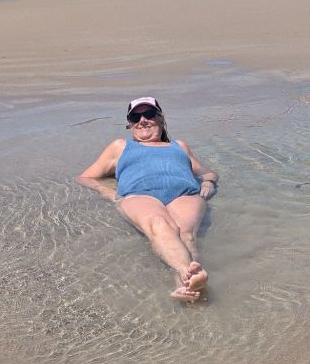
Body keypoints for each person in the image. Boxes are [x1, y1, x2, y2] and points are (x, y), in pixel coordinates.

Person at [76, 97, 218, 301]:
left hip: (184, 193)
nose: (142, 120)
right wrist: (109, 193)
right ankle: (188, 273)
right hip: (140, 194)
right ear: (130, 124)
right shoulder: (120, 146)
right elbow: (85, 178)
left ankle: (186, 289)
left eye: (149, 114)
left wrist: (208, 183)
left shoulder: (179, 146)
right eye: (135, 117)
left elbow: (207, 172)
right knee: (158, 223)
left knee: (186, 233)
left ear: (161, 118)